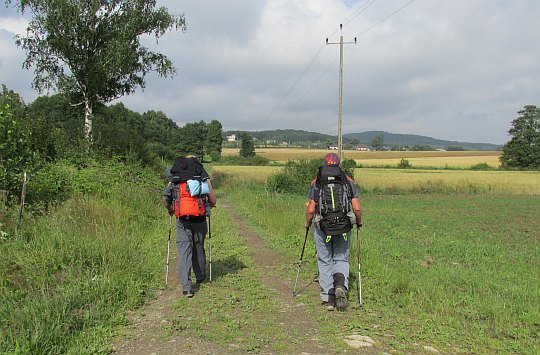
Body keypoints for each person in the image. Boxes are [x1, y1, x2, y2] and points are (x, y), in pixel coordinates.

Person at [305, 153, 362, 311]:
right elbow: (356, 207)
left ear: (324, 164)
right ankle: (340, 285)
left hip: (322, 226)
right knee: (341, 259)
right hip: (343, 227)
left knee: (324, 260)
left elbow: (311, 209)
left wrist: (307, 224)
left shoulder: (317, 182)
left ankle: (329, 298)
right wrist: (359, 221)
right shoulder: (347, 181)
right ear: (339, 165)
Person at [163, 155, 217, 298]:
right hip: (199, 219)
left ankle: (187, 288)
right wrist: (207, 208)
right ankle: (200, 276)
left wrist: (170, 210)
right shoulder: (202, 177)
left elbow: (165, 197)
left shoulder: (176, 177)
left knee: (184, 250)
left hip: (182, 219)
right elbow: (212, 200)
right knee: (198, 246)